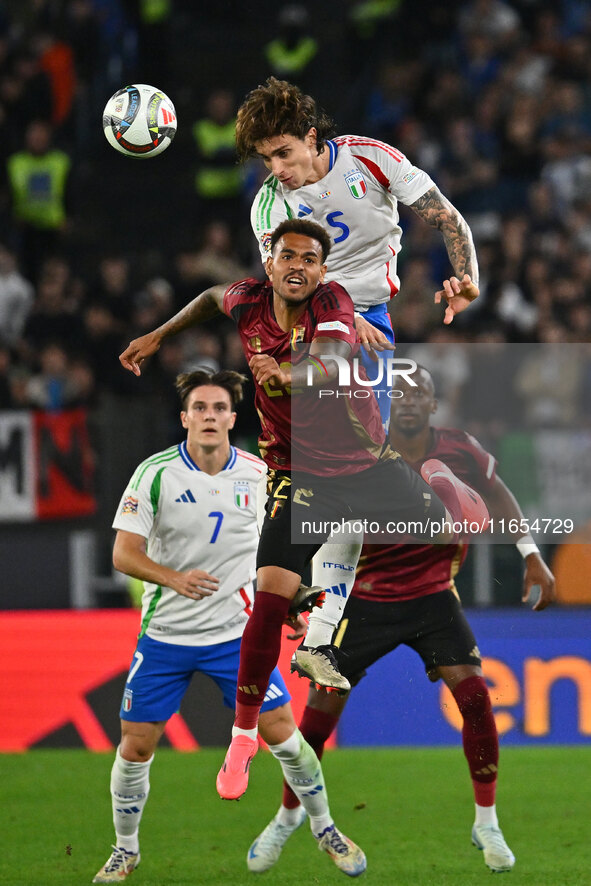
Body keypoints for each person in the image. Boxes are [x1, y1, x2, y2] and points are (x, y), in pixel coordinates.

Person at [119, 219, 490, 802]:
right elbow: (212, 297)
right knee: (266, 602)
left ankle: (320, 629)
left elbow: (329, 365)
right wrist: (159, 335)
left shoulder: (334, 303)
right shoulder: (246, 299)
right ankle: (244, 738)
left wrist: (281, 374)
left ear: (322, 270)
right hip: (298, 472)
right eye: (287, 255)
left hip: (366, 464)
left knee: (441, 532)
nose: (298, 266)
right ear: (269, 262)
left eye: (310, 259)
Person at [248, 365, 555, 875]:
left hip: (434, 598)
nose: (409, 402)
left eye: (421, 395)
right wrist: (309, 598)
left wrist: (529, 552)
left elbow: (497, 491)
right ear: (387, 403)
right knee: (317, 719)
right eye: (401, 394)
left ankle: (487, 821)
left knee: (476, 699)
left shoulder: (459, 447)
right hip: (364, 601)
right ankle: (287, 816)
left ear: (435, 406)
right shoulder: (360, 452)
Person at [235, 76, 482, 681]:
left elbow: (447, 220)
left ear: (312, 138)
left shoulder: (372, 161)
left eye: (284, 153)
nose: (278, 169)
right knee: (353, 472)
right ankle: (304, 615)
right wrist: (335, 320)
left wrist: (466, 277)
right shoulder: (269, 206)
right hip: (323, 330)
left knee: (356, 482)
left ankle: (295, 601)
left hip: (370, 324)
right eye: (267, 159)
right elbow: (284, 289)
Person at [92, 367, 367, 884]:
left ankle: (327, 829)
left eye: (219, 408)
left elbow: (282, 549)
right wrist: (172, 577)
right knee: (136, 745)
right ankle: (125, 850)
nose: (210, 417)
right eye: (200, 408)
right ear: (185, 418)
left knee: (285, 736)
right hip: (166, 634)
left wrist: (291, 598)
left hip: (236, 636)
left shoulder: (260, 474)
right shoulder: (154, 473)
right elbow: (124, 554)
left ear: (233, 418)